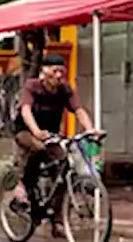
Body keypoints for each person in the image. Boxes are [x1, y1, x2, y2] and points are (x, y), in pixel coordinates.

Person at [12, 53, 98, 209]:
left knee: (64, 167)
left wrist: (90, 130)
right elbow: (26, 111)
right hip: (26, 131)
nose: (58, 76)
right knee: (38, 149)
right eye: (54, 71)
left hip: (51, 135)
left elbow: (79, 110)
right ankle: (23, 186)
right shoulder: (32, 86)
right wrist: (36, 131)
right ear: (44, 71)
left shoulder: (64, 89)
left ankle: (57, 218)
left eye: (61, 72)